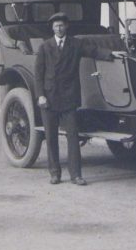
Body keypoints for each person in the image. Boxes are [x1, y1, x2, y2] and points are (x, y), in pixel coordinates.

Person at [33, 12, 117, 185]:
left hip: (68, 97)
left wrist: (112, 54)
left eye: (62, 25)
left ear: (67, 26)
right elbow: (38, 74)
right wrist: (40, 95)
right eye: (56, 26)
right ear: (52, 28)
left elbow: (93, 51)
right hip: (48, 98)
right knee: (51, 138)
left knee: (73, 137)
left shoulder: (76, 44)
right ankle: (55, 173)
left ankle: (76, 175)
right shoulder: (45, 47)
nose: (59, 28)